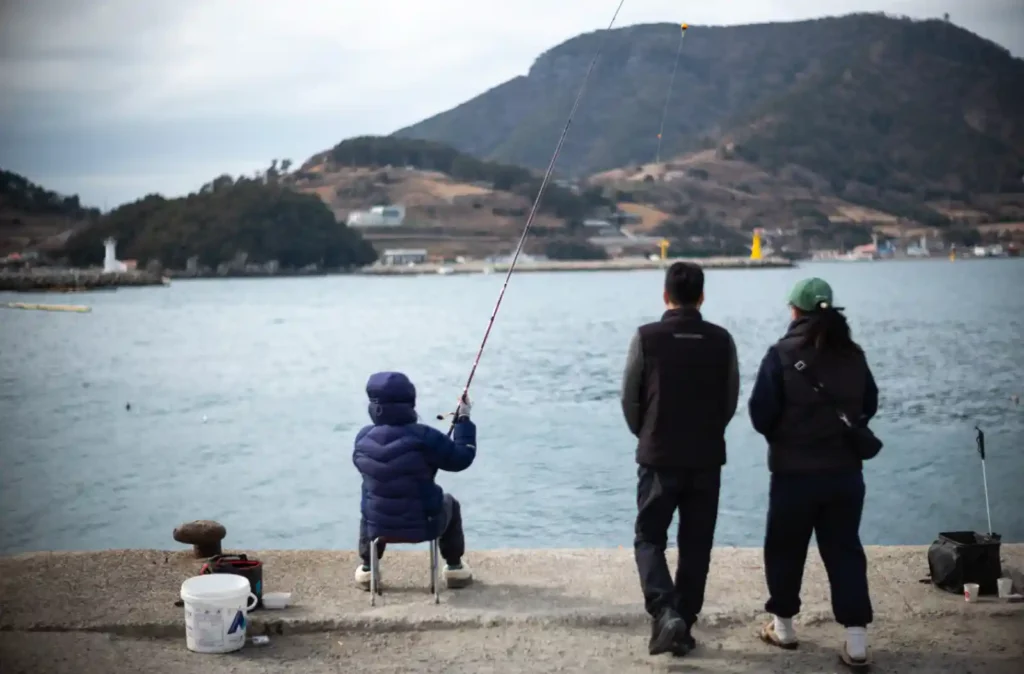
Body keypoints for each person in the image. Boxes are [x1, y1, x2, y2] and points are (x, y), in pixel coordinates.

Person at [747, 277, 878, 668]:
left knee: (785, 549)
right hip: (844, 474)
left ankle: (783, 629)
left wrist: (786, 435)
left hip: (793, 475)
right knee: (844, 551)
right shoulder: (854, 355)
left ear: (795, 311)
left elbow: (760, 414)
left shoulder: (780, 354)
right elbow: (869, 404)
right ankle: (856, 642)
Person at [620, 261, 740, 656]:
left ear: (665, 295)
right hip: (706, 455)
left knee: (649, 536)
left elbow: (630, 397)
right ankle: (683, 622)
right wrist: (710, 431)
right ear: (702, 297)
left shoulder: (646, 337)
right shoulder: (722, 340)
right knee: (697, 543)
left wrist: (645, 433)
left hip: (658, 454)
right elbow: (729, 400)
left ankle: (665, 612)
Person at [352, 371, 476, 590]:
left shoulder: (362, 438)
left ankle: (368, 569)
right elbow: (461, 458)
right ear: (411, 402)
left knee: (372, 499)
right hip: (426, 525)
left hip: (378, 527)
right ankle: (455, 568)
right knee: (450, 503)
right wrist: (463, 419)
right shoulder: (426, 437)